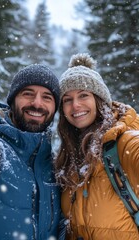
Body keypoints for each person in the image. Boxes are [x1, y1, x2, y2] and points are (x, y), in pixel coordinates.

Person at [54, 53, 139, 240]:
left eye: (83, 95)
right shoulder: (69, 156)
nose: (75, 105)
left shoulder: (125, 143)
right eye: (67, 99)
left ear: (99, 100)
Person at [0, 63, 64, 240]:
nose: (37, 104)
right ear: (12, 100)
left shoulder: (54, 166)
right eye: (28, 94)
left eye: (47, 97)